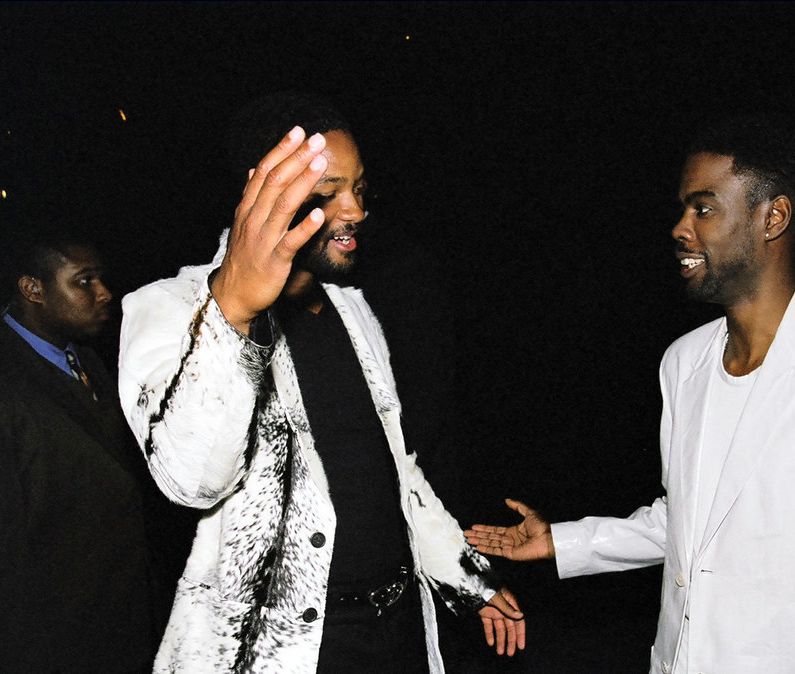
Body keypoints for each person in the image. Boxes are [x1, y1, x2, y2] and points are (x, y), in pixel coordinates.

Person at [465, 116, 795, 673]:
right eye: (682, 208)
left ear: (771, 218)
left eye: (703, 208)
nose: (681, 227)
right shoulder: (685, 362)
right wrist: (565, 542)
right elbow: (690, 523)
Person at [117, 92, 525, 674]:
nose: (355, 210)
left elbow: (398, 471)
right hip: (290, 654)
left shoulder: (352, 308)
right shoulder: (169, 308)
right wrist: (232, 309)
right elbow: (192, 482)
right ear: (262, 192)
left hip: (399, 634)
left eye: (359, 189)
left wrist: (466, 579)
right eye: (328, 192)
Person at [0, 236, 189, 673]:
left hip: (135, 627)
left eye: (101, 277)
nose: (104, 292)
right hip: (68, 649)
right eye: (84, 281)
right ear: (33, 289)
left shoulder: (84, 355)